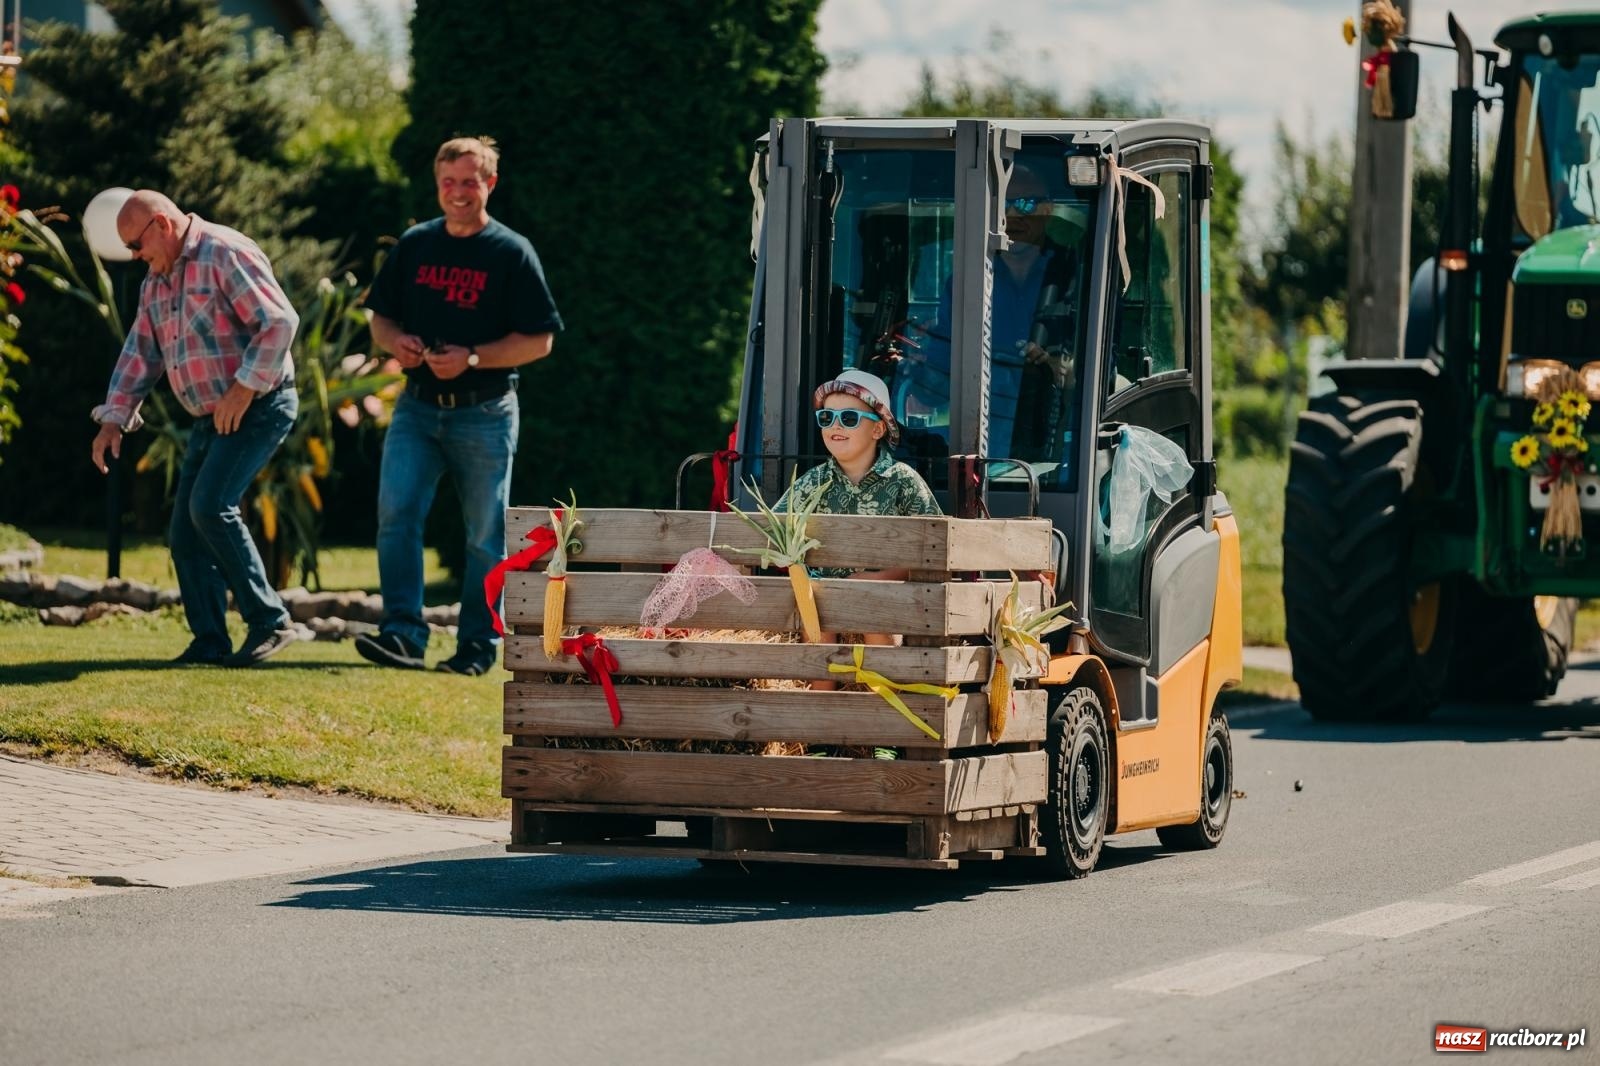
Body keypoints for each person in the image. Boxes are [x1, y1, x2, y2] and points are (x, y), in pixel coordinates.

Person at [356, 136, 562, 677]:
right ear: (437, 186)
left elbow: (540, 341)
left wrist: (472, 358)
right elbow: (380, 318)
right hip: (417, 408)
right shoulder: (416, 244)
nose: (457, 193)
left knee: (484, 536)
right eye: (448, 182)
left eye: (469, 182)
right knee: (396, 518)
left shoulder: (510, 252)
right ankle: (401, 635)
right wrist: (394, 342)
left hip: (485, 411)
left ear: (489, 184)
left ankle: (476, 648)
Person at [89, 190, 301, 667]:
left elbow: (279, 322)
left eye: (135, 245)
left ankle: (271, 621)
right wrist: (114, 419)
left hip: (261, 404)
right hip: (211, 417)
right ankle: (210, 641)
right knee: (184, 532)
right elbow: (140, 353)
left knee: (211, 505)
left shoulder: (224, 252)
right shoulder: (156, 282)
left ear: (161, 225)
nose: (135, 256)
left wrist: (243, 388)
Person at [905, 163, 1081, 459]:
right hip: (976, 441)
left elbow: (1106, 370)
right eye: (1003, 205)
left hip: (1062, 444)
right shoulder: (964, 281)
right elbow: (940, 364)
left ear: (1048, 209)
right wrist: (921, 381)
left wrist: (1058, 368)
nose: (1012, 216)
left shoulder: (1079, 276)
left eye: (1025, 204)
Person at [782, 369, 941, 667]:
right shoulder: (812, 482)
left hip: (885, 596)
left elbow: (935, 550)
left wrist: (878, 578)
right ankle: (819, 701)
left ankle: (881, 699)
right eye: (827, 418)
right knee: (814, 612)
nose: (836, 426)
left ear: (878, 430)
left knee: (872, 611)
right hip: (825, 593)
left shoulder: (903, 481)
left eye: (850, 418)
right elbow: (774, 527)